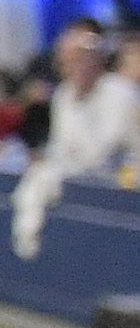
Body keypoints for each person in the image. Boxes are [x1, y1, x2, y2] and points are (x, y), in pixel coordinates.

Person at [15, 16, 138, 257]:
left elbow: (100, 153)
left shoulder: (120, 93)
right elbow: (61, 146)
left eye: (80, 60)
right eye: (67, 62)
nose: (73, 68)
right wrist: (46, 158)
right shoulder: (63, 95)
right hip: (88, 187)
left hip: (125, 193)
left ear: (97, 61)